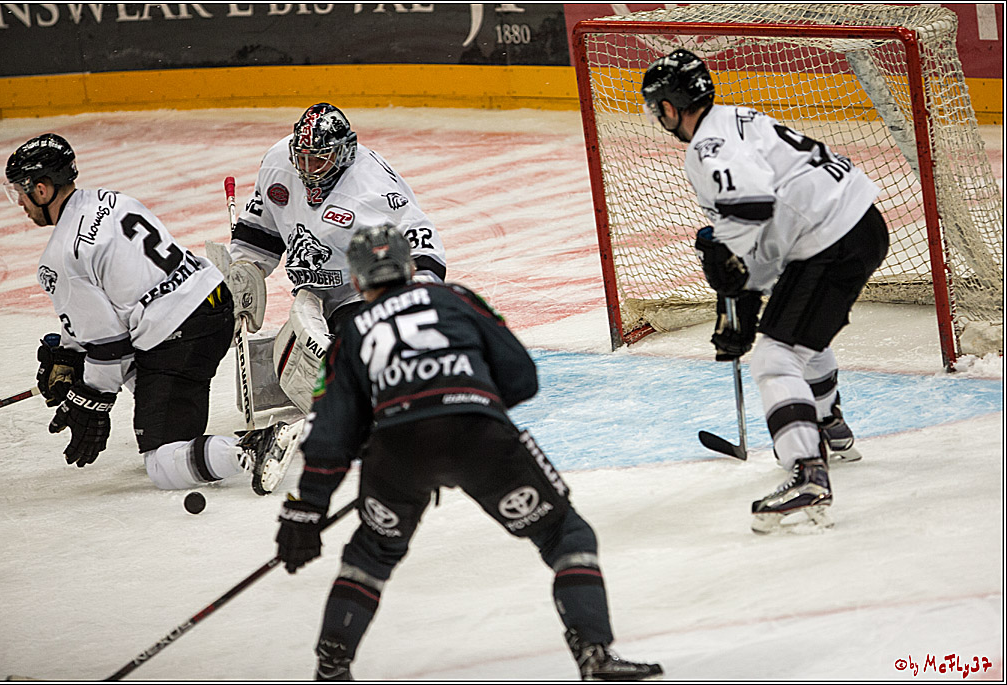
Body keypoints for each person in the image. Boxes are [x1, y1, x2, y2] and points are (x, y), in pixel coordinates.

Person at [271, 225, 663, 681]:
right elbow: (521, 376)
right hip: (480, 436)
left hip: (398, 452)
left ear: (357, 282)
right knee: (564, 534)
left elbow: (330, 433)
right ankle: (595, 655)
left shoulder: (353, 330)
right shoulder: (454, 297)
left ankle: (331, 670)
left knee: (371, 554)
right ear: (410, 266)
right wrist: (467, 403)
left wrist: (307, 508)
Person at [641, 50, 889, 534]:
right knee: (798, 337)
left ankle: (807, 475)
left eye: (657, 107)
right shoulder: (736, 118)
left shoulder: (707, 146)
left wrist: (722, 252)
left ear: (670, 107)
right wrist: (742, 295)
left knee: (775, 358)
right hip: (856, 224)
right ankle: (830, 428)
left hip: (830, 238)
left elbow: (753, 206)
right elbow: (766, 224)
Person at [4, 133, 289, 493]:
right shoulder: (111, 201)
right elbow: (115, 309)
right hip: (214, 304)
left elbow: (110, 348)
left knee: (163, 464)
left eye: (20, 192)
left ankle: (249, 449)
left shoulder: (61, 257)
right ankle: (172, 418)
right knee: (149, 376)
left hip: (179, 336)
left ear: (42, 190)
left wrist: (91, 400)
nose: (19, 203)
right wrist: (68, 354)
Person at [220, 103, 447, 415]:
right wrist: (246, 268)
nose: (308, 168)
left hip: (360, 292)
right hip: (312, 290)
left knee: (359, 368)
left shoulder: (370, 189)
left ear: (343, 153)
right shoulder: (277, 163)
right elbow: (261, 229)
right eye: (302, 158)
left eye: (318, 159)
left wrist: (411, 301)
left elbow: (422, 240)